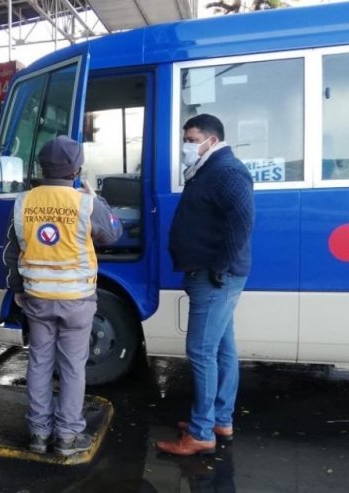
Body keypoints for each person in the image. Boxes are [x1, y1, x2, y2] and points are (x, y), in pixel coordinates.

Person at [3, 136, 122, 456]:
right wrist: (98, 199)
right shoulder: (85, 202)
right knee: (72, 368)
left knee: (40, 364)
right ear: (77, 168)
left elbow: (13, 253)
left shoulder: (24, 202)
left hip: (36, 298)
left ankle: (39, 435)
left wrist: (16, 289)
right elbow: (114, 233)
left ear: (43, 165)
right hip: (77, 300)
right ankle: (67, 437)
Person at [156, 114, 255, 456]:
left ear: (211, 139)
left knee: (200, 351)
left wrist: (219, 268)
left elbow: (242, 223)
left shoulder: (226, 171)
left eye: (191, 138)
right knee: (222, 349)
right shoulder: (207, 169)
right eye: (185, 139)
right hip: (213, 276)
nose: (186, 146)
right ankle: (219, 420)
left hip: (215, 278)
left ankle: (200, 433)